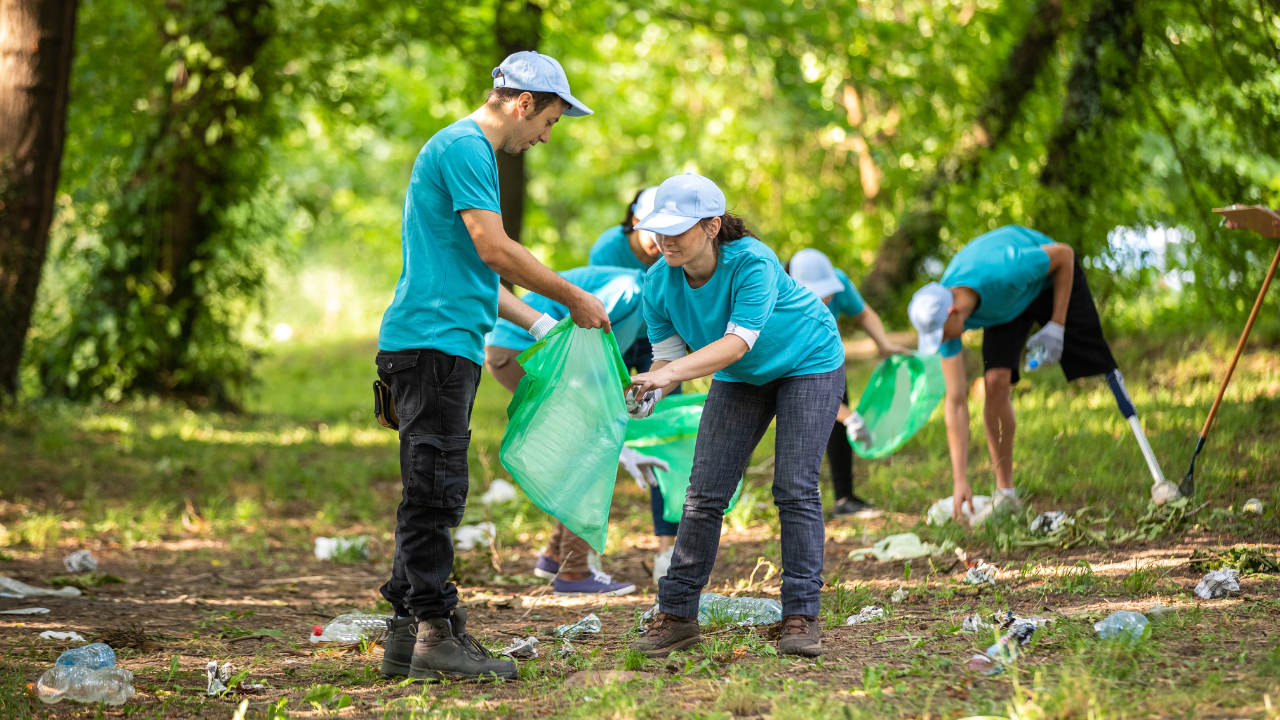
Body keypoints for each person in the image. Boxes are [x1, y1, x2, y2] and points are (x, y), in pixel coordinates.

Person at [374, 51, 611, 682]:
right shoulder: (466, 147)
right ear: (523, 102)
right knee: (435, 493)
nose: (545, 136)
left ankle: (407, 636)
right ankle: (432, 633)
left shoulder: (464, 150)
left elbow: (472, 268)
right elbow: (494, 247)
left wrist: (538, 323)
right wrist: (574, 295)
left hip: (442, 339)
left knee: (434, 488)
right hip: (432, 345)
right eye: (551, 121)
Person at [624, 173, 846, 659]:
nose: (665, 240)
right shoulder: (658, 281)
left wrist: (671, 372)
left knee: (794, 486)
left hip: (807, 359)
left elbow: (737, 341)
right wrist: (649, 388)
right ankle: (678, 614)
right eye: (660, 228)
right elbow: (665, 357)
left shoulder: (753, 261)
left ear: (711, 226)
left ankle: (800, 615)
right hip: (741, 375)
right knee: (704, 492)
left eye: (678, 229)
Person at [907, 224, 1128, 525]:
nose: (941, 342)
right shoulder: (944, 310)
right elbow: (956, 400)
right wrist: (959, 479)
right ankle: (1006, 494)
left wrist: (1057, 327)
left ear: (952, 313)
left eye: (940, 335)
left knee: (1095, 357)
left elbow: (1064, 254)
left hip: (1049, 280)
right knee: (995, 383)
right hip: (1006, 306)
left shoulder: (1005, 269)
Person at [484, 266, 671, 596]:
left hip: (518, 347)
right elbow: (586, 339)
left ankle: (556, 556)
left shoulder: (641, 300)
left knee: (585, 446)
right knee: (592, 447)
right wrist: (616, 443)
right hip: (523, 348)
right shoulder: (628, 289)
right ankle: (574, 571)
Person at [588, 187, 683, 580]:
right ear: (635, 222)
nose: (662, 243)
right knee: (600, 436)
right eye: (653, 232)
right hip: (618, 336)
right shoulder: (608, 250)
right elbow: (601, 308)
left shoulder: (677, 250)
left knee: (666, 437)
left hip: (661, 341)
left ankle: (668, 549)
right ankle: (578, 552)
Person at [787, 249, 909, 517]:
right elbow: (800, 382)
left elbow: (863, 314)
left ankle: (845, 498)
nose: (828, 297)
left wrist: (884, 344)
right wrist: (849, 416)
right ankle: (794, 500)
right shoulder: (783, 299)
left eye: (828, 290)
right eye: (820, 293)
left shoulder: (838, 282)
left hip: (826, 352)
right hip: (788, 361)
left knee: (840, 413)